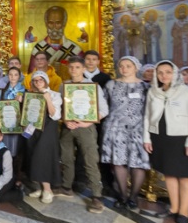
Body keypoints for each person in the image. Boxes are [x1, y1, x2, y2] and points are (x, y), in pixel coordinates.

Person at [144, 60, 188, 223]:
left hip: (181, 138)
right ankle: (174, 208)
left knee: (186, 177)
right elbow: (147, 117)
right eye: (160, 72)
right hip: (160, 137)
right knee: (169, 174)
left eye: (168, 72)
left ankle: (184, 212)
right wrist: (146, 138)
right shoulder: (153, 92)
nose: (164, 75)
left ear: (174, 73)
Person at [56, 57, 109, 214]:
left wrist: (88, 122)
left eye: (77, 67)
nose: (74, 70)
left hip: (86, 127)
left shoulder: (92, 87)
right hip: (68, 127)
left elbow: (104, 109)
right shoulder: (63, 85)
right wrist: (65, 120)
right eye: (71, 67)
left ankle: (96, 196)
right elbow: (60, 107)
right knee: (66, 158)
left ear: (84, 69)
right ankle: (67, 187)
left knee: (90, 159)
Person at [102, 56, 150, 209]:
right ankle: (123, 195)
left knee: (138, 163)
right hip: (115, 128)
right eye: (121, 65)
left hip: (138, 128)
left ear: (136, 68)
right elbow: (102, 105)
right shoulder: (111, 84)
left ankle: (133, 196)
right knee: (118, 161)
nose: (124, 69)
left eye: (128, 66)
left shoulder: (145, 87)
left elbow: (151, 110)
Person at [26, 71, 63, 203]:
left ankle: (48, 189)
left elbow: (55, 115)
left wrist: (47, 99)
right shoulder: (30, 94)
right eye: (35, 81)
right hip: (33, 128)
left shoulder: (54, 95)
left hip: (48, 127)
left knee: (43, 155)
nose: (37, 83)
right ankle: (39, 187)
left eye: (40, 80)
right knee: (32, 154)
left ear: (46, 81)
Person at [28, 6, 84, 80]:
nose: (54, 27)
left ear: (64, 23)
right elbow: (31, 75)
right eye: (50, 23)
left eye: (58, 23)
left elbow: (83, 75)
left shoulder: (75, 49)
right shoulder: (38, 48)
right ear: (46, 24)